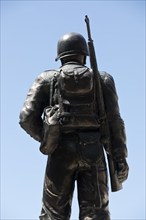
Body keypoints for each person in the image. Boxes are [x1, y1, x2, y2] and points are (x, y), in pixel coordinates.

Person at [19, 32, 129, 220]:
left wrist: (47, 138)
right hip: (94, 152)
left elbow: (26, 118)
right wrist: (120, 158)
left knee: (53, 215)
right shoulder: (103, 79)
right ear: (84, 55)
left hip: (60, 152)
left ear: (60, 56)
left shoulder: (46, 78)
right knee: (96, 214)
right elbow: (115, 122)